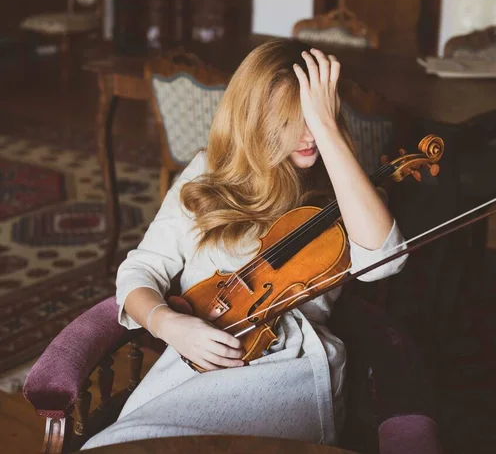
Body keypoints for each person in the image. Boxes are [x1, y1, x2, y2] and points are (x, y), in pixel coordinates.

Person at [82, 39, 408, 449]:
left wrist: (329, 130)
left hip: (285, 368)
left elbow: (385, 261)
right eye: (290, 120)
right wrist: (170, 325)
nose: (306, 134)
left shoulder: (342, 190)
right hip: (194, 358)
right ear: (256, 118)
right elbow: (140, 269)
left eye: (314, 116)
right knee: (121, 442)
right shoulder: (206, 173)